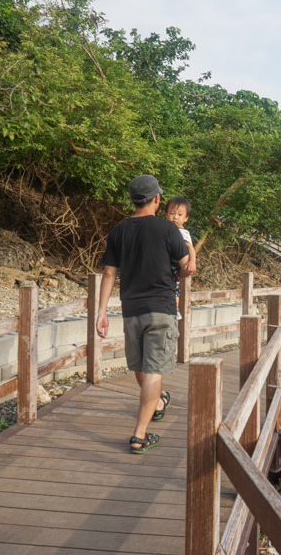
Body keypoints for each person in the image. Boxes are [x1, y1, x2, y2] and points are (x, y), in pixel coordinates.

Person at [96, 174, 190, 454]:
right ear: (157, 199)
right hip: (161, 308)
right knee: (152, 371)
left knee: (139, 367)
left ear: (132, 199)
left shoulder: (118, 231)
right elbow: (185, 266)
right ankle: (139, 435)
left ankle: (158, 402)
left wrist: (102, 312)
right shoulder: (168, 229)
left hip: (131, 309)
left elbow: (109, 272)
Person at [165, 196, 197, 319]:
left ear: (186, 218)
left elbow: (190, 248)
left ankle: (175, 309)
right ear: (166, 214)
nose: (175, 217)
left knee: (175, 288)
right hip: (165, 261)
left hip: (175, 263)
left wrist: (192, 262)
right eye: (172, 213)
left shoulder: (183, 232)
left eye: (179, 215)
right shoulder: (165, 229)